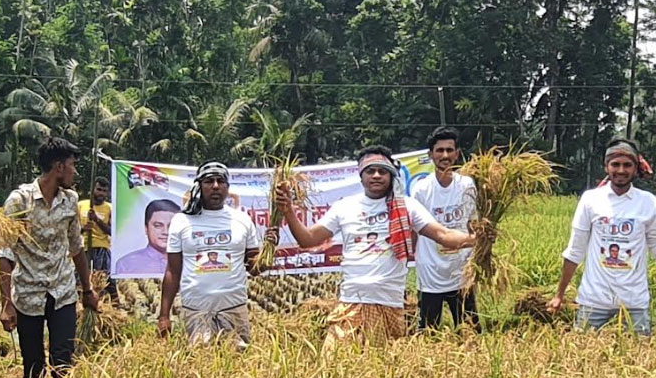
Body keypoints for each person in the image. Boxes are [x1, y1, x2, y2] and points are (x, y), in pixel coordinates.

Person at [277, 145, 475, 348]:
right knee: (333, 361)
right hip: (351, 303)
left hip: (388, 305)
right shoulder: (344, 207)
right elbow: (308, 239)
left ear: (391, 175)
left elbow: (443, 235)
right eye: (370, 171)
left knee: (380, 364)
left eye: (382, 171)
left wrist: (476, 239)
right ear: (361, 176)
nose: (377, 175)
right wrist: (288, 211)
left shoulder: (407, 206)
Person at [545, 138, 656, 336]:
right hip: (594, 300)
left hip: (634, 303)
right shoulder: (591, 200)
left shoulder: (647, 202)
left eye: (627, 165)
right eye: (615, 164)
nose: (621, 170)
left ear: (636, 168)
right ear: (607, 167)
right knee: (583, 352)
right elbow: (575, 251)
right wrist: (559, 295)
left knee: (639, 353)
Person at [0, 137, 99, 378]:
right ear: (59, 167)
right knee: (33, 364)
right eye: (72, 165)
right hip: (29, 294)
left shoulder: (70, 200)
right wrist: (6, 304)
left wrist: (87, 289)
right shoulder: (20, 202)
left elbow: (76, 248)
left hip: (63, 292)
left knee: (63, 360)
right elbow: (5, 255)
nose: (75, 172)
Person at [157, 161, 269, 347]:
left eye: (221, 181)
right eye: (209, 181)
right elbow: (173, 271)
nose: (216, 186)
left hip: (234, 309)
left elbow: (254, 268)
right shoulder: (181, 221)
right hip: (196, 311)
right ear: (199, 186)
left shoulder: (242, 220)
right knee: (200, 361)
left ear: (228, 187)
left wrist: (269, 250)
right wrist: (164, 315)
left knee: (238, 361)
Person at [410, 126, 480, 332]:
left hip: (461, 270)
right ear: (431, 155)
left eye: (450, 150)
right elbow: (414, 230)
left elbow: (472, 223)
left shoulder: (467, 185)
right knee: (428, 332)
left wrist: (481, 249)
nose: (445, 155)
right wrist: (409, 260)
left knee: (471, 332)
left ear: (457, 154)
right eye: (439, 150)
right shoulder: (421, 189)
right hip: (431, 271)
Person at [114, 199, 181, 276]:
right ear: (146, 228)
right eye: (158, 226)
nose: (166, 232)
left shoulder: (189, 262)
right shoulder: (126, 264)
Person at [79, 177, 116, 302]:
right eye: (99, 189)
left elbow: (112, 231)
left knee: (106, 281)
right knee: (82, 281)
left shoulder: (110, 208)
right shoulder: (81, 205)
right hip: (84, 248)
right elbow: (72, 230)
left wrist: (96, 220)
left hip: (102, 249)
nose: (101, 193)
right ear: (93, 189)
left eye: (104, 191)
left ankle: (113, 305)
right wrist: (83, 228)